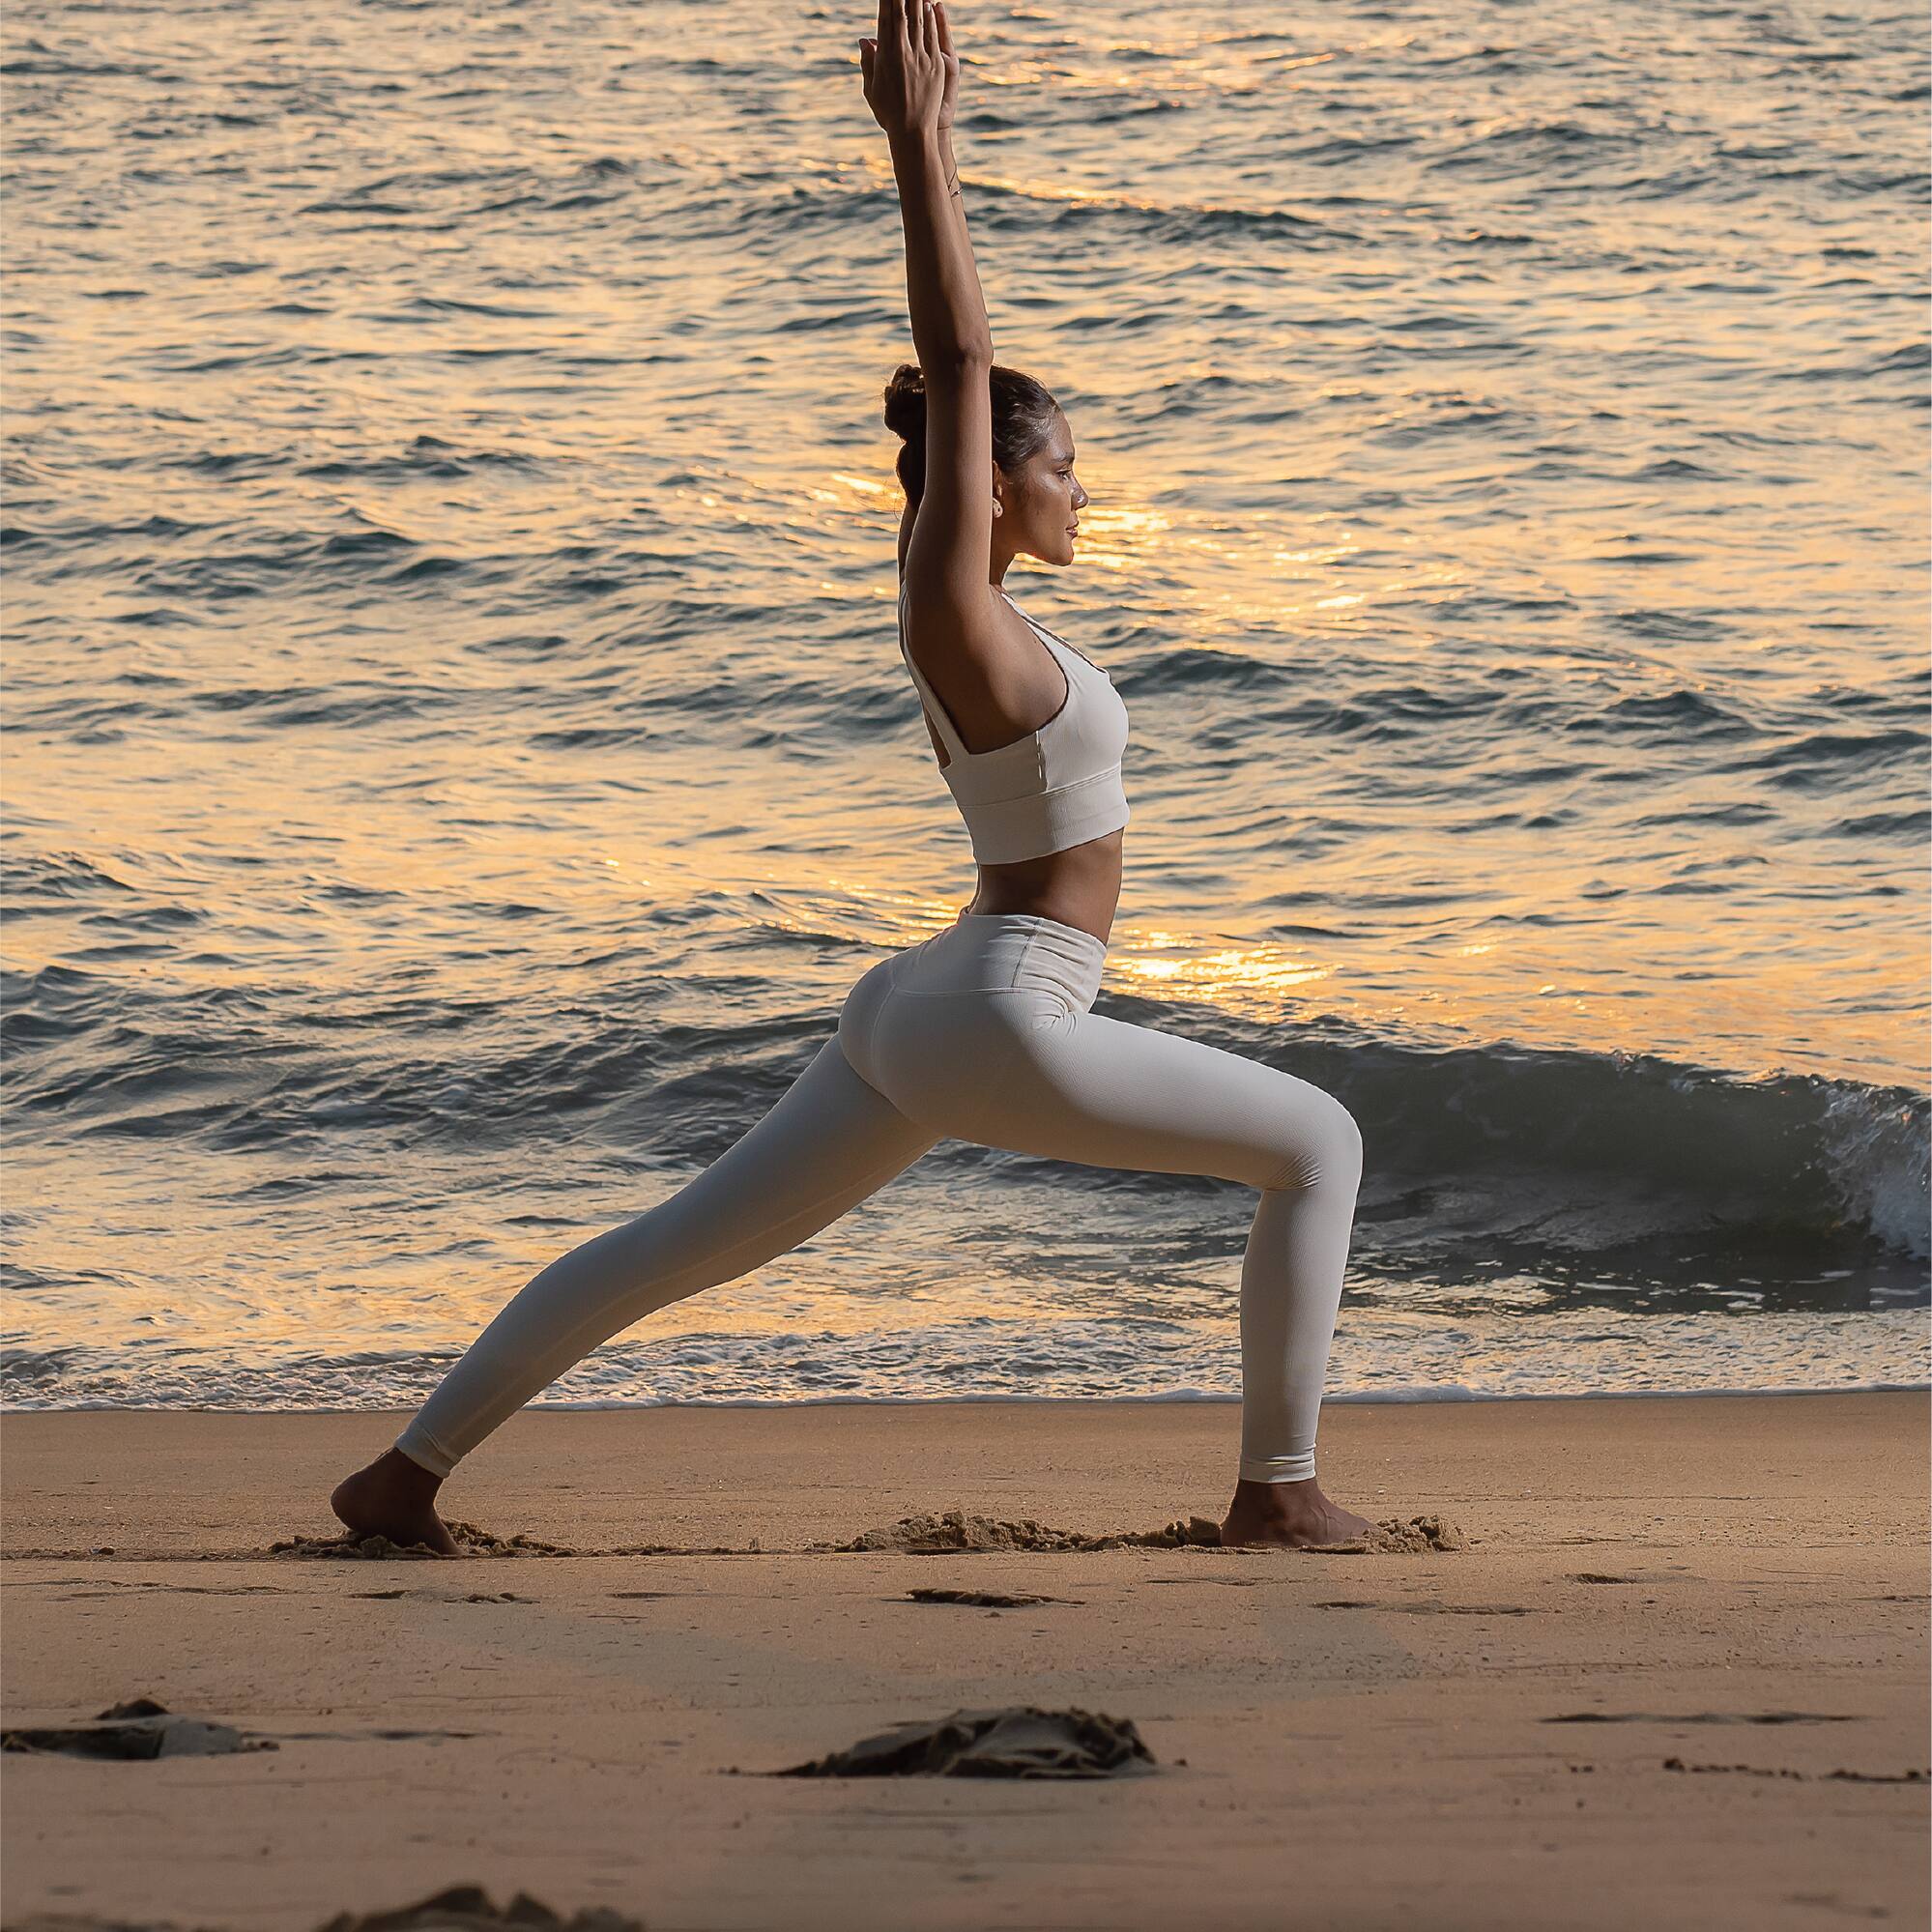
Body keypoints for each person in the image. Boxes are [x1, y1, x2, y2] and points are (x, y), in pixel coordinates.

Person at [329, 0, 1371, 1558]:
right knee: (1321, 1145)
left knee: (670, 1250)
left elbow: (967, 394)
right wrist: (921, 145)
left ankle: (401, 1480)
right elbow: (959, 357)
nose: (1083, 487)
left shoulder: (1000, 624)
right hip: (1006, 1007)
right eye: (1062, 463)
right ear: (992, 483)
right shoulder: (952, 606)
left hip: (927, 1007)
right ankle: (1276, 1491)